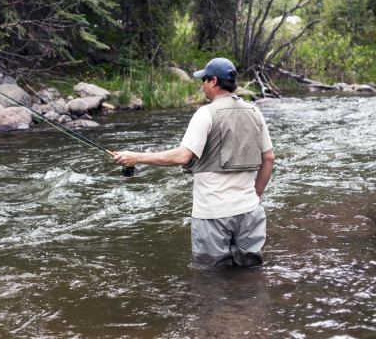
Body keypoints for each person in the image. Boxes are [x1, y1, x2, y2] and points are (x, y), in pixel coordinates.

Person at [112, 57, 274, 269]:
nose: (202, 85)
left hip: (213, 215)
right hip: (249, 211)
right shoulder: (255, 112)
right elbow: (268, 159)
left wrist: (136, 157)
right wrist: (257, 194)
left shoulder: (205, 113)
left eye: (204, 80)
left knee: (211, 279)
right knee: (250, 273)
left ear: (213, 81)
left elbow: (181, 157)